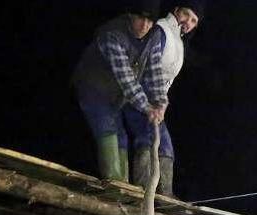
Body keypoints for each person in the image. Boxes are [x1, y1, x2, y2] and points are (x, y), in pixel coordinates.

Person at [72, 0, 168, 185]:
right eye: (140, 19)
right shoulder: (112, 34)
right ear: (130, 14)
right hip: (94, 88)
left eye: (150, 21)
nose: (144, 26)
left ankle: (123, 184)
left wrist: (160, 103)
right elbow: (127, 81)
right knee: (106, 127)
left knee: (121, 135)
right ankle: (114, 182)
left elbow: (155, 72)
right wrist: (148, 108)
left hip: (116, 96)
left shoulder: (154, 35)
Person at [145, 2, 204, 197]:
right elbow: (149, 66)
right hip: (142, 95)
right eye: (187, 14)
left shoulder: (178, 39)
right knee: (150, 141)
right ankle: (146, 192)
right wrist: (154, 101)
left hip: (156, 100)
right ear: (177, 10)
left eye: (194, 20)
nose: (189, 22)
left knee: (163, 145)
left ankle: (163, 195)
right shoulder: (162, 30)